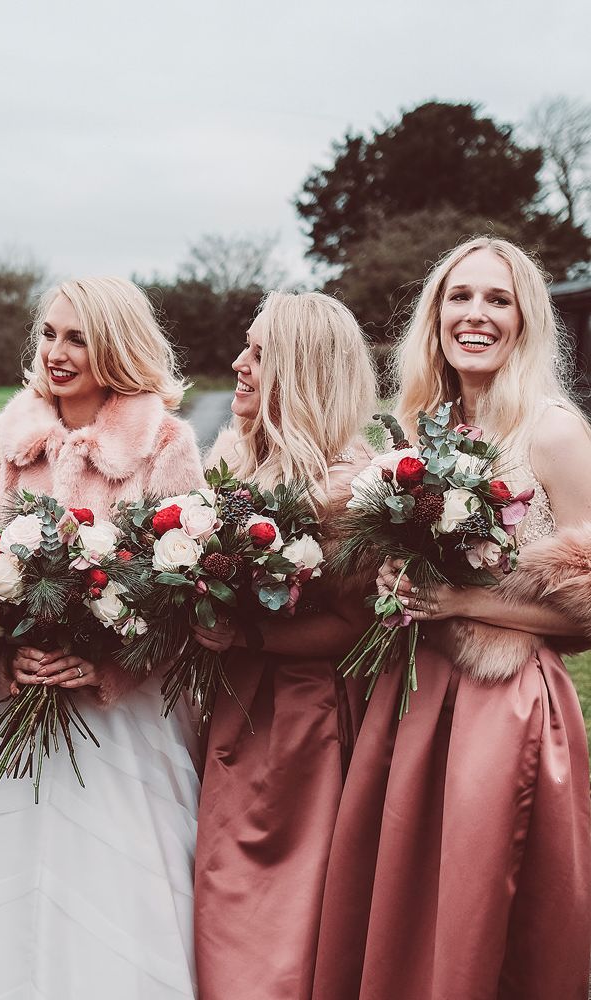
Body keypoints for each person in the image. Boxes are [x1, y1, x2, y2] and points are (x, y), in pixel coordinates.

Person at [312, 237, 591, 999]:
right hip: (408, 695)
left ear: (525, 321)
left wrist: (469, 603)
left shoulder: (553, 431)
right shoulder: (419, 428)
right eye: (460, 297)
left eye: (499, 300)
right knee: (402, 898)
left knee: (479, 899)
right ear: (434, 316)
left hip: (504, 705)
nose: (477, 314)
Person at [0, 277, 205, 999]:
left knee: (120, 882)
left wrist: (107, 667)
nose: (56, 351)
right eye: (49, 333)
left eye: (77, 338)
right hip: (19, 704)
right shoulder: (2, 441)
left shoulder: (166, 444)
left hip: (125, 715)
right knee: (9, 881)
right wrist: (8, 655)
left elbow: (184, 592)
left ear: (115, 346)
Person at [189, 291, 377, 1000]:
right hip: (227, 703)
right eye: (246, 347)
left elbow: (355, 624)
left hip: (300, 722)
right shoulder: (233, 460)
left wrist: (250, 633)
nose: (240, 365)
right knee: (214, 887)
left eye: (260, 354)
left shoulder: (346, 488)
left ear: (303, 373)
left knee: (273, 907)